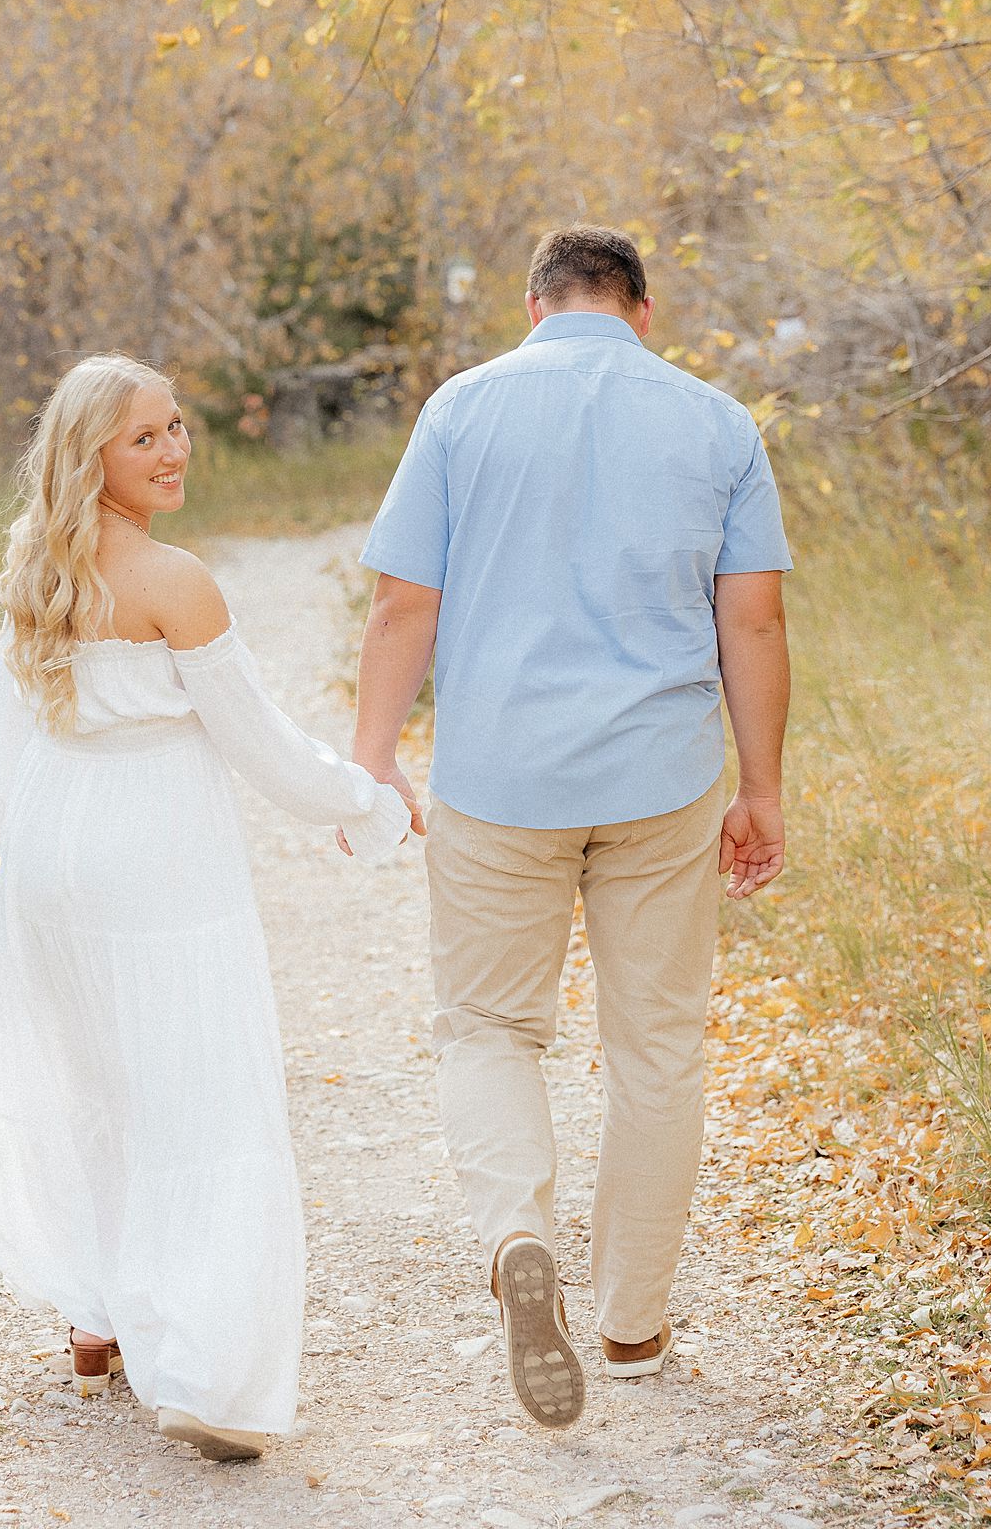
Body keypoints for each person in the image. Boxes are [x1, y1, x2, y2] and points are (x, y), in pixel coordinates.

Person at [351, 226, 792, 1429]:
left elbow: (403, 602)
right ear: (643, 310)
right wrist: (759, 789)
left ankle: (515, 1239)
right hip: (659, 780)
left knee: (489, 1026)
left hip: (500, 780)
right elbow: (749, 623)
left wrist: (374, 759)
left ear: (531, 305)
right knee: (657, 1045)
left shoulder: (461, 409)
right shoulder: (715, 424)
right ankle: (634, 1319)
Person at [0, 353, 410, 1464]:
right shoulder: (176, 580)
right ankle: (207, 1373)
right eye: (143, 438)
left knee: (98, 1084)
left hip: (53, 859)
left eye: (175, 427)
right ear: (90, 458)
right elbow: (259, 742)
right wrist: (368, 803)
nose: (173, 452)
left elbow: (2, 753)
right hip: (156, 860)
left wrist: (19, 865)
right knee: (200, 1099)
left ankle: (97, 1317)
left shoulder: (33, 566)